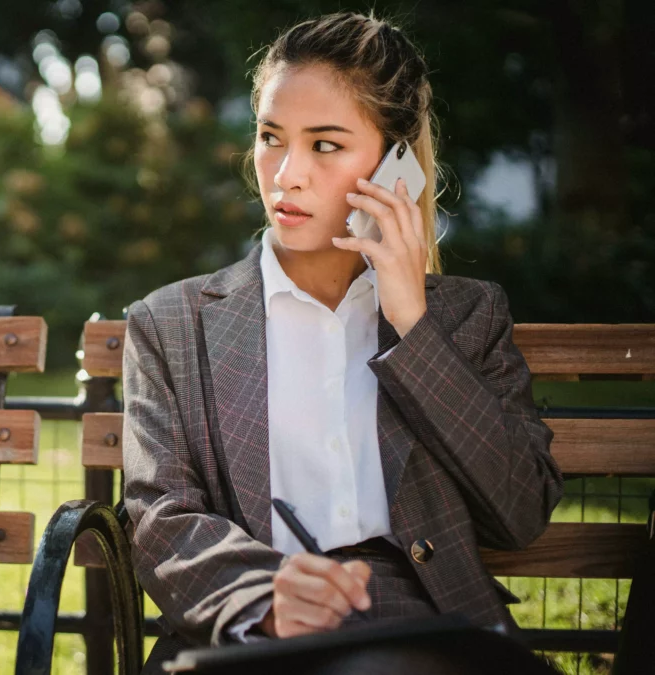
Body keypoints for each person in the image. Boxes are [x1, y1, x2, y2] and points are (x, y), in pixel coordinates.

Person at [121, 11, 564, 674]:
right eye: (272, 138)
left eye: (324, 144)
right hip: (250, 636)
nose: (286, 174)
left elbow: (519, 512)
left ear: (395, 165)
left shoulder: (466, 316)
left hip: (423, 632)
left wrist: (413, 323)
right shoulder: (172, 323)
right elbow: (161, 516)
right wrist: (263, 594)